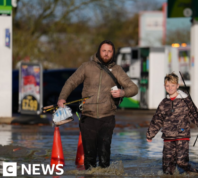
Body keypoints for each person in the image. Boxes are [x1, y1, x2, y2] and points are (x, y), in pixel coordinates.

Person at [57, 40, 138, 170]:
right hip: (88, 117)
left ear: (113, 53)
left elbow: (134, 88)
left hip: (107, 118)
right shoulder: (87, 66)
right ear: (99, 51)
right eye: (104, 51)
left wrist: (123, 92)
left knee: (104, 156)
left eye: (109, 51)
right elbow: (71, 82)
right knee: (89, 157)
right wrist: (62, 98)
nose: (106, 54)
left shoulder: (117, 70)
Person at [146, 72, 198, 175]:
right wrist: (150, 135)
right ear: (164, 87)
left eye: (173, 85)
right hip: (168, 137)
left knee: (181, 162)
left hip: (182, 136)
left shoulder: (185, 100)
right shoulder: (163, 103)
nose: (170, 88)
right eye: (167, 86)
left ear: (177, 86)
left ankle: (194, 174)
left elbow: (194, 113)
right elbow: (157, 119)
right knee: (167, 167)